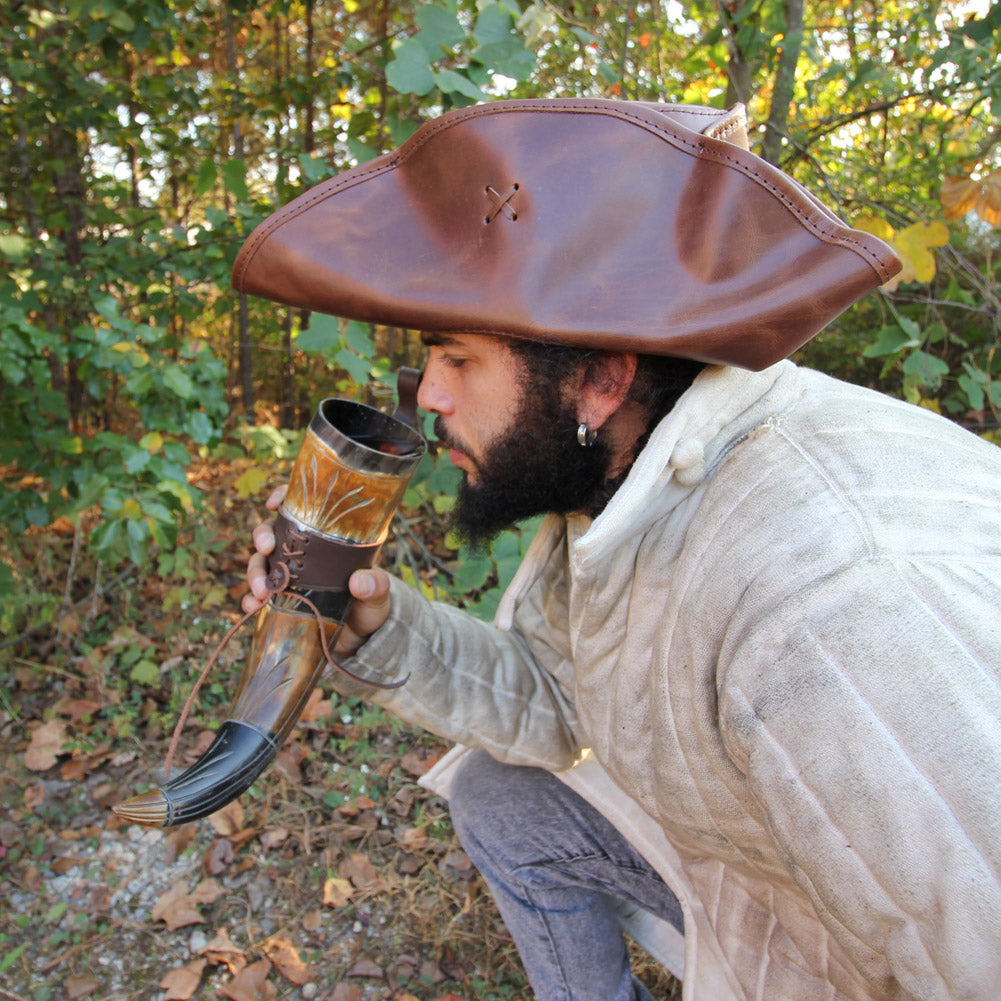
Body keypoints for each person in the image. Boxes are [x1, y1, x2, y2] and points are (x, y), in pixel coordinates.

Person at [232, 99, 1001, 1001]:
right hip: (765, 869)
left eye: (459, 359)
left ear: (600, 378)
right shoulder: (627, 478)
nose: (427, 391)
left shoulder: (831, 612)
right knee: (501, 798)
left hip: (850, 957)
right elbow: (566, 707)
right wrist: (375, 630)